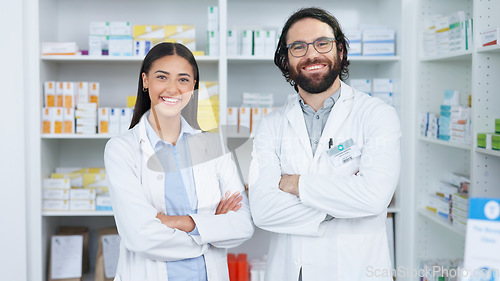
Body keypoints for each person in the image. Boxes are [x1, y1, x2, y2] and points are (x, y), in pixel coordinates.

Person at [248, 7, 401, 281]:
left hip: (355, 271)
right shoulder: (270, 125)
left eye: (322, 43)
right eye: (298, 47)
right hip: (291, 273)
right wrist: (342, 205)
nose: (311, 54)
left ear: (340, 50)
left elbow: (374, 198)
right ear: (286, 59)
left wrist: (295, 185)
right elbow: (262, 211)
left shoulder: (377, 115)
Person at [104, 42, 254, 281]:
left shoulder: (213, 146)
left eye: (183, 80)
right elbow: (140, 237)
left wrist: (179, 222)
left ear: (193, 86)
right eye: (162, 77)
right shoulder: (122, 149)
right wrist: (209, 233)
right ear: (145, 81)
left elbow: (243, 225)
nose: (172, 89)